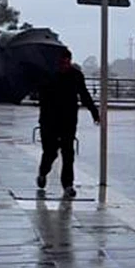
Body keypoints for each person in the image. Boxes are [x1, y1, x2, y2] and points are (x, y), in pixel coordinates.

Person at [37, 48, 99, 198]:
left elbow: (84, 94)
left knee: (68, 154)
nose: (64, 66)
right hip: (49, 120)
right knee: (50, 152)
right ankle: (43, 172)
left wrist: (94, 112)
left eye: (67, 62)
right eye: (61, 63)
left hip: (68, 120)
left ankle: (68, 185)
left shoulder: (76, 75)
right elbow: (41, 96)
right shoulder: (47, 75)